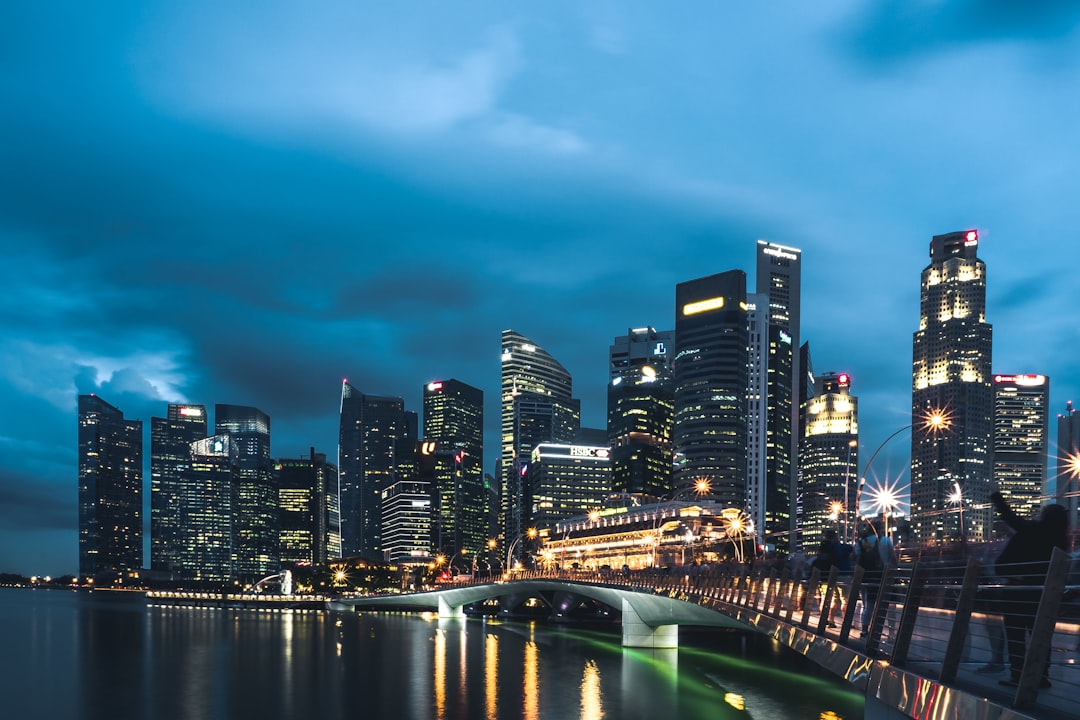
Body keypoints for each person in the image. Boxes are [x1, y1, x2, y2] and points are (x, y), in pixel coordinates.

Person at [991, 490, 1070, 688]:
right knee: (1041, 636)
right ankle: (1042, 676)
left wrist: (996, 496)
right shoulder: (1062, 542)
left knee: (1016, 636)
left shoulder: (1031, 531)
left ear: (1043, 517)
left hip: (1017, 594)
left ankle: (1017, 676)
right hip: (1043, 595)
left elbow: (1010, 518)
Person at [854, 518, 895, 636]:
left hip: (867, 577)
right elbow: (893, 558)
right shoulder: (886, 540)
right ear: (881, 529)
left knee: (868, 604)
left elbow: (857, 558)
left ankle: (864, 630)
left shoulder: (863, 542)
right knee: (889, 605)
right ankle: (891, 633)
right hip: (885, 576)